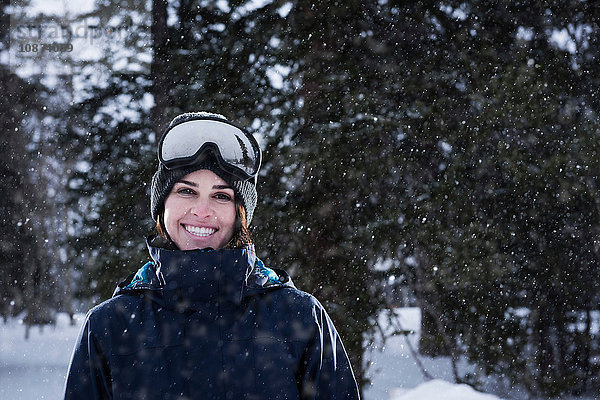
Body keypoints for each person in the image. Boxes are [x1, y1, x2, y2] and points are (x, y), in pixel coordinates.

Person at [63, 112, 360, 400]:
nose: (202, 212)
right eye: (186, 191)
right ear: (162, 205)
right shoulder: (110, 325)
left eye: (221, 196)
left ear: (240, 214)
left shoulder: (300, 317)